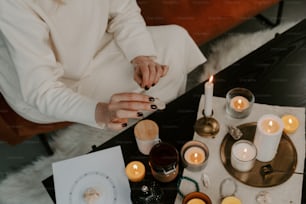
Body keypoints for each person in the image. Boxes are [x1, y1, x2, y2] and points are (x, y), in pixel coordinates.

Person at [0, 0, 206, 131]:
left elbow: (123, 10)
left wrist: (141, 57)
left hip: (97, 42)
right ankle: (149, 127)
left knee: (175, 40)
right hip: (53, 82)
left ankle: (160, 121)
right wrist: (101, 112)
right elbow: (41, 90)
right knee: (122, 104)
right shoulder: (12, 5)